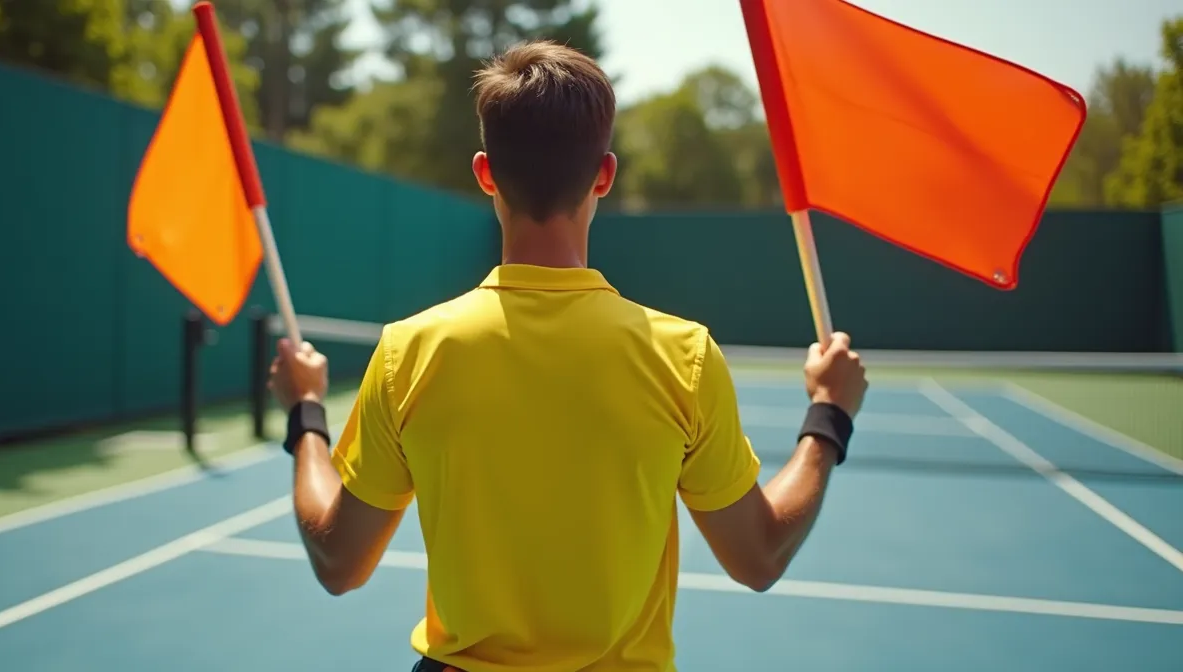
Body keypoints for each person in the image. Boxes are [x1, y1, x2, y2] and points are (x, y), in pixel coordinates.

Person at [267, 40, 868, 672]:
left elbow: (339, 563)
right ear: (605, 174)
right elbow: (760, 555)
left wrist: (305, 412)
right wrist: (829, 415)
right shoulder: (683, 355)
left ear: (485, 172)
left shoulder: (408, 351)